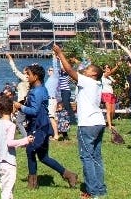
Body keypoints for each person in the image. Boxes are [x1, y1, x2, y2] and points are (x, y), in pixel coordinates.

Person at [54, 43, 107, 199]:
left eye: (89, 69)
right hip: (98, 122)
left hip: (88, 124)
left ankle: (92, 191)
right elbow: (75, 69)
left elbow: (69, 71)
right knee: (96, 157)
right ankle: (100, 189)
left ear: (94, 74)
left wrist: (60, 53)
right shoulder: (97, 83)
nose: (86, 68)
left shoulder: (89, 81)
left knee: (87, 157)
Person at [20, 63, 77, 190]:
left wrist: (21, 107)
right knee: (43, 157)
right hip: (43, 125)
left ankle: (32, 183)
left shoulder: (36, 92)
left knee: (31, 152)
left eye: (28, 74)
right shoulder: (42, 88)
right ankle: (69, 174)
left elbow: (34, 111)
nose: (27, 76)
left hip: (38, 126)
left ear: (36, 76)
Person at [0, 95, 34, 199]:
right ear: (12, 109)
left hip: (0, 163)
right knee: (7, 192)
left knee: (6, 190)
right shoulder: (11, 125)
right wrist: (26, 140)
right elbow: (9, 143)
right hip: (9, 163)